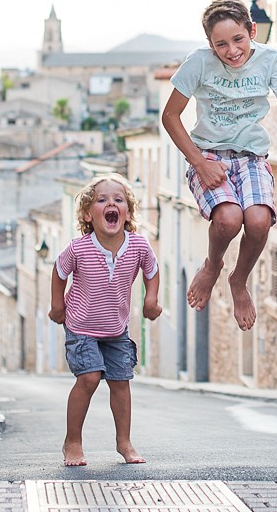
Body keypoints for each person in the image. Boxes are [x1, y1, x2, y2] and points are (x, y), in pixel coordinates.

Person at [161, 0, 277, 331]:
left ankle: (239, 279)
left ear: (252, 31)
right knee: (227, 219)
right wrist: (199, 163)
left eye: (238, 39)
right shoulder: (199, 62)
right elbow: (170, 116)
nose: (232, 50)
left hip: (251, 157)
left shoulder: (271, 60)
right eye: (220, 44)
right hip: (208, 155)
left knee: (258, 221)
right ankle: (212, 266)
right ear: (210, 44)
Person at [48, 174, 162, 467]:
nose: (111, 203)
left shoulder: (138, 245)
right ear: (88, 214)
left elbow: (152, 270)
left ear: (127, 213)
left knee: (121, 382)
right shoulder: (79, 248)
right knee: (88, 378)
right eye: (102, 200)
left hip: (116, 328)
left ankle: (124, 442)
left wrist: (151, 300)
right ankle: (72, 441)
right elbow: (59, 272)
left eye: (118, 200)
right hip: (81, 326)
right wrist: (57, 306)